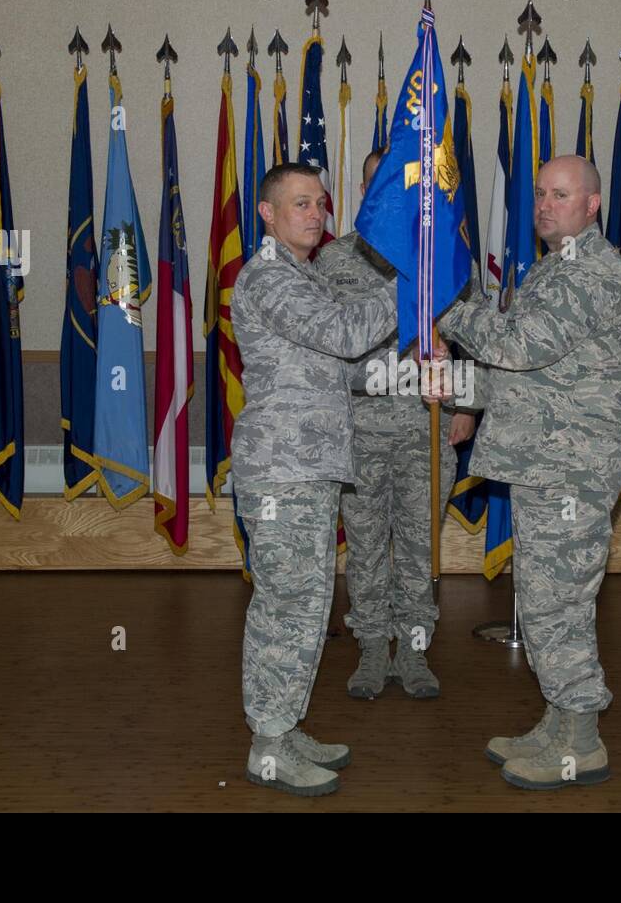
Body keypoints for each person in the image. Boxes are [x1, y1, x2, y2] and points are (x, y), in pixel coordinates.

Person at [434, 154, 621, 790]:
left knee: (558, 604)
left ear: (592, 205)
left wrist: (444, 302)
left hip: (569, 471)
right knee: (547, 598)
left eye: (562, 194)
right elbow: (523, 376)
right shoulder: (556, 271)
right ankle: (557, 721)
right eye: (541, 193)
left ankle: (581, 740)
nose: (546, 204)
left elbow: (517, 347)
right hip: (547, 464)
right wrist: (460, 387)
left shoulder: (591, 271)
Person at [230, 162, 398, 797]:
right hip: (282, 472)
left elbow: (335, 368)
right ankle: (268, 745)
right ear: (268, 215)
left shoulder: (303, 278)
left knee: (306, 606)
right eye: (299, 203)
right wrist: (410, 287)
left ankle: (285, 725)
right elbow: (344, 335)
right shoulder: (271, 277)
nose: (315, 212)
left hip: (308, 467)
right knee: (286, 606)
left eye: (321, 202)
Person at [317, 149, 477, 700]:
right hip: (359, 426)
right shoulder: (334, 259)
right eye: (374, 183)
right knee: (364, 545)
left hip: (425, 426)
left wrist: (467, 408)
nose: (385, 192)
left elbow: (472, 340)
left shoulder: (444, 257)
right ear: (363, 188)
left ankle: (412, 650)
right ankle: (368, 650)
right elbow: (320, 348)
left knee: (417, 545)